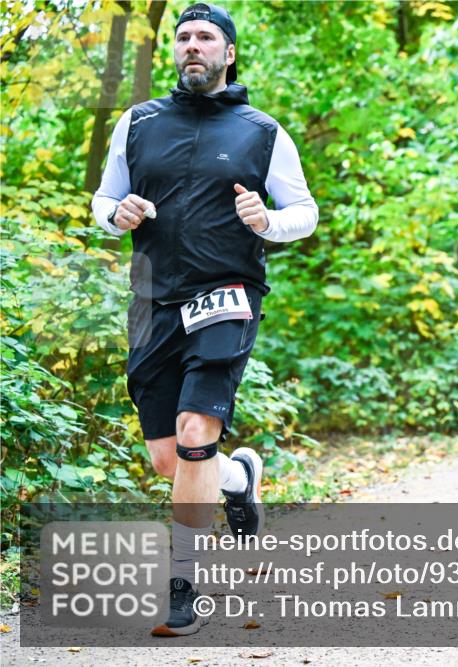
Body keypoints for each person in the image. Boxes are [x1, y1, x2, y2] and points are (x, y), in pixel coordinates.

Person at [91, 3, 318, 636]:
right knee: (171, 460)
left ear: (229, 53)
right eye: (184, 37)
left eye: (206, 38)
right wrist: (118, 214)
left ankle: (182, 588)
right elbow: (102, 200)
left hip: (227, 292)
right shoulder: (138, 123)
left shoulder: (261, 130)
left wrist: (268, 224)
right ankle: (238, 475)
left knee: (195, 429)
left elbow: (305, 210)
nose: (193, 46)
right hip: (154, 300)